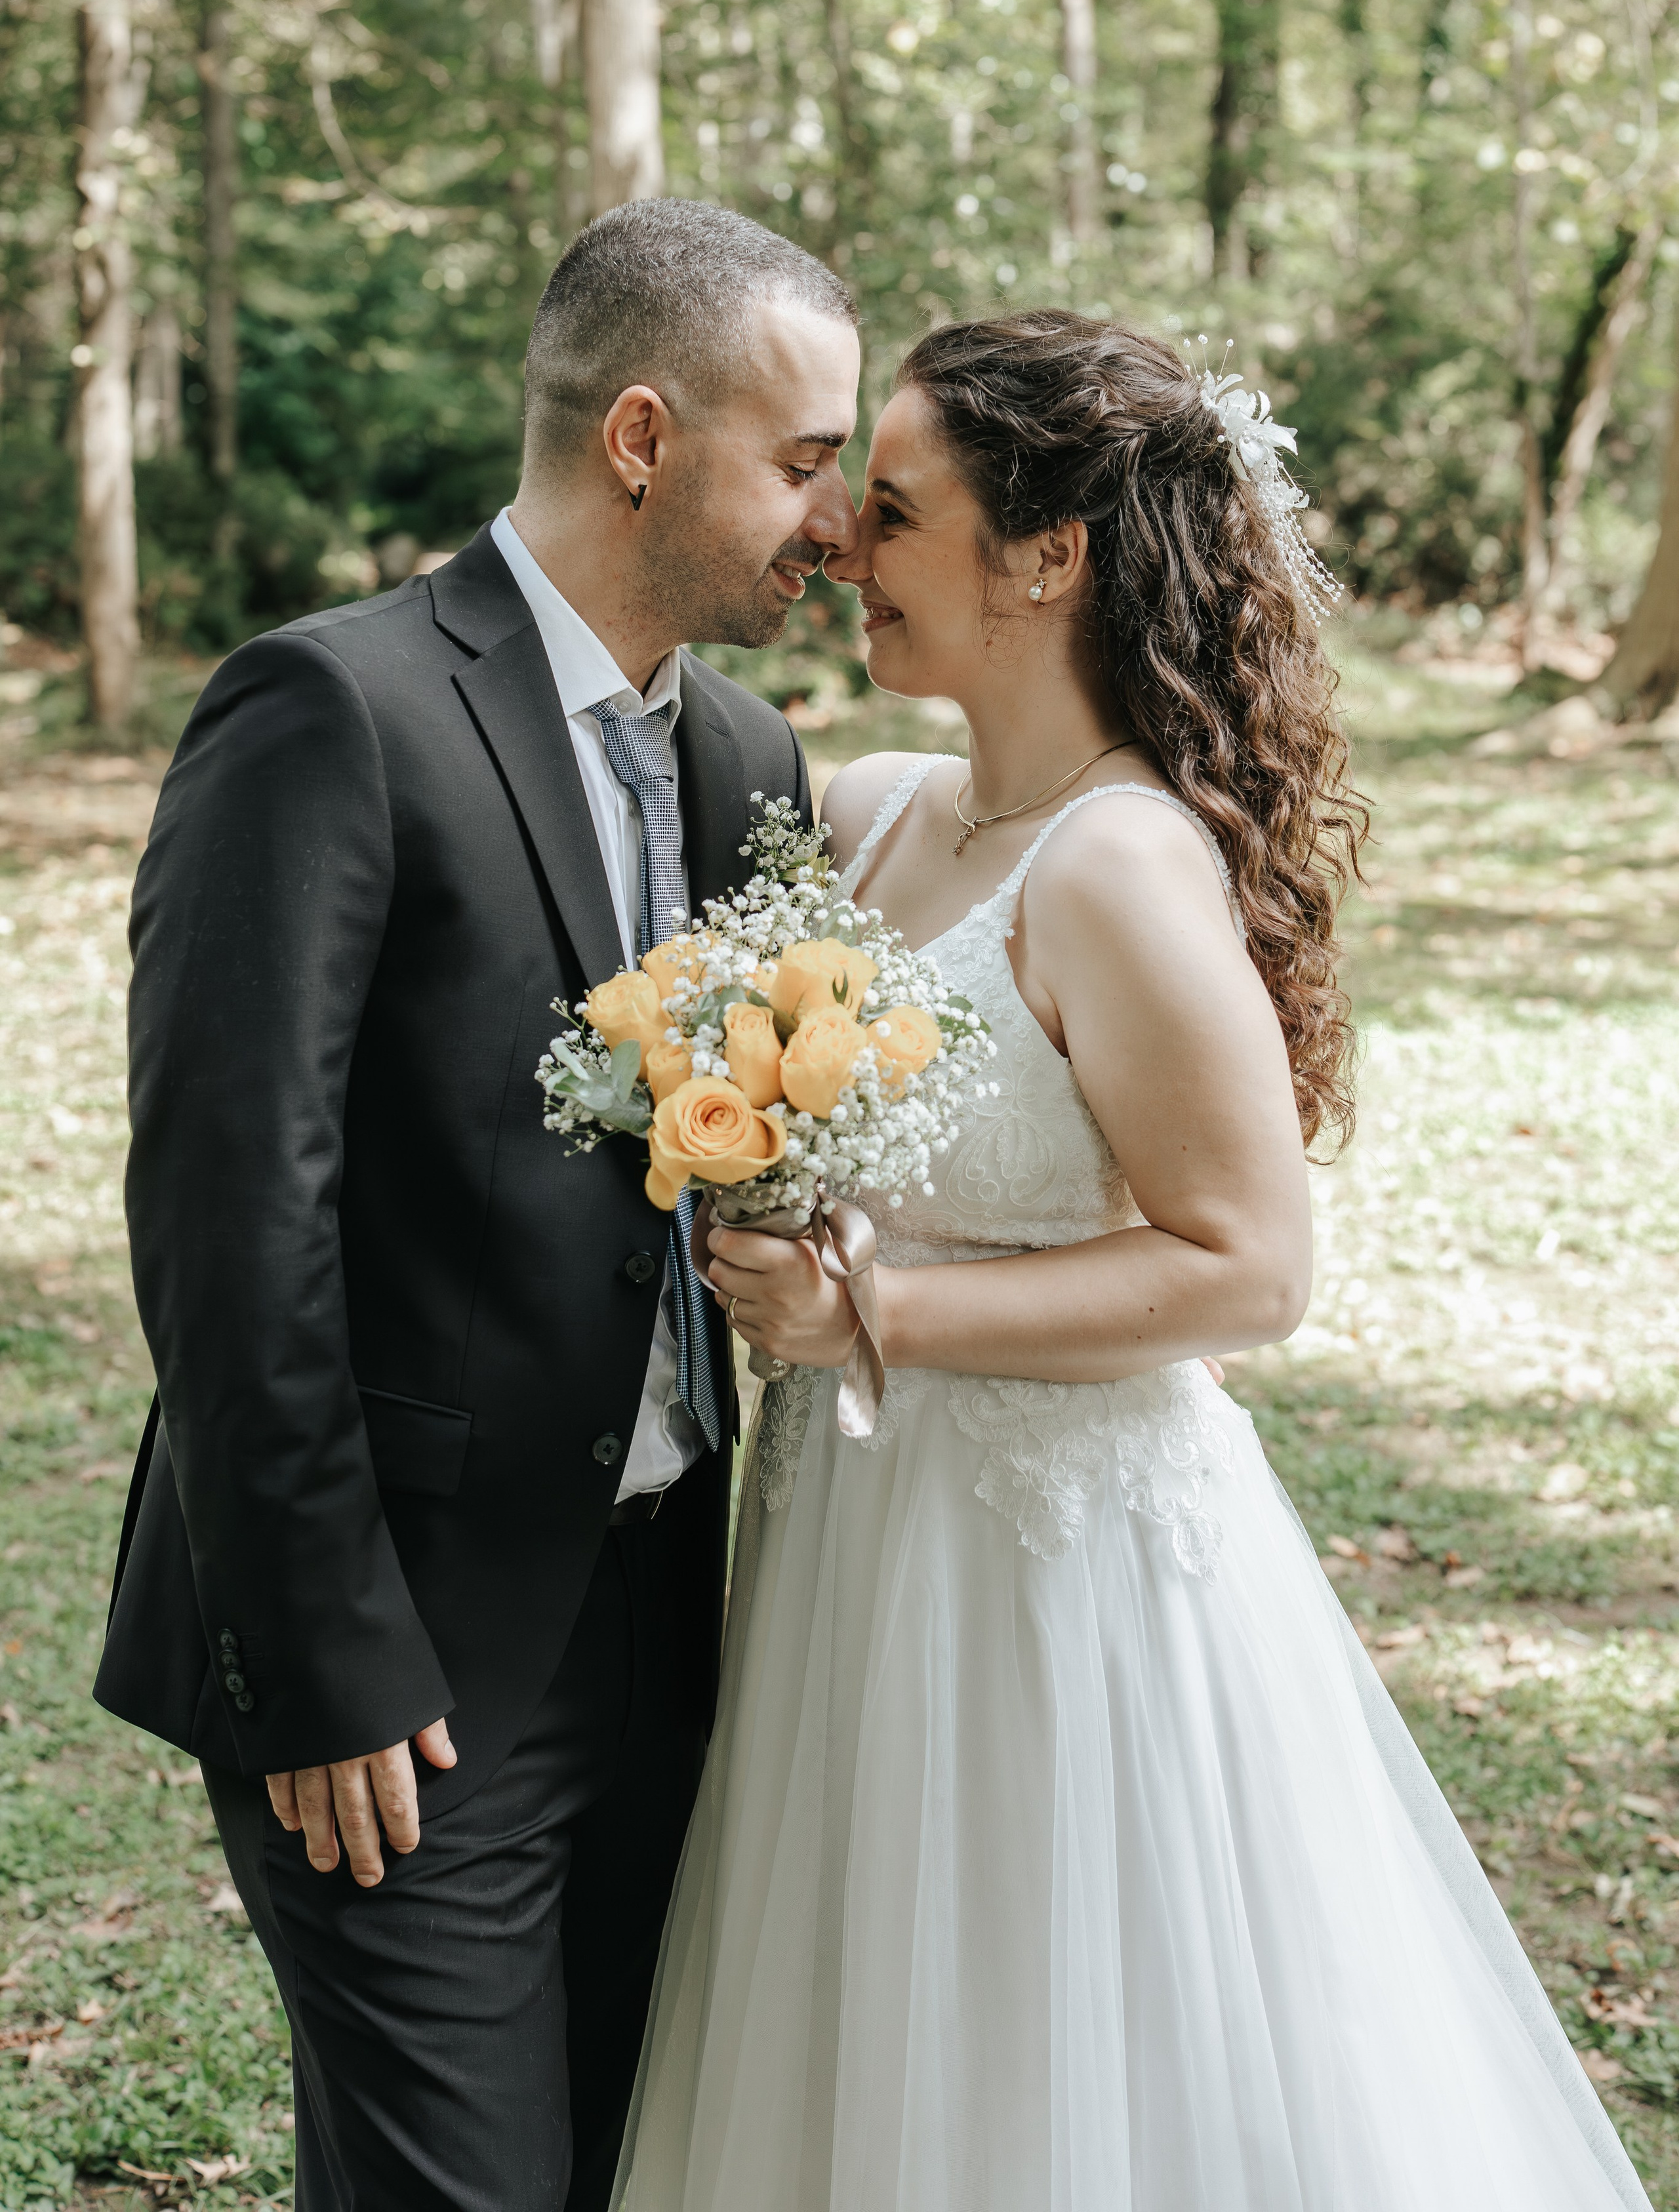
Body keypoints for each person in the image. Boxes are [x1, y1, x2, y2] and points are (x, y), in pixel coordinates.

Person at [612, 313, 1652, 2211]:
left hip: (1052, 1567)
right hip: (856, 1541)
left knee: (1055, 2045)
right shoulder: (870, 820)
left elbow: (1253, 1266)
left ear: (1048, 555)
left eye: (898, 508)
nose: (844, 542)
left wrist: (874, 1314)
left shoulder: (1115, 867)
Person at [94, 199, 860, 2212]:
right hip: (403, 1664)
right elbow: (229, 1218)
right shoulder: (326, 709)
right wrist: (328, 1656)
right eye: (802, 460)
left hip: (664, 1626)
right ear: (639, 437)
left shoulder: (749, 755)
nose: (836, 518)